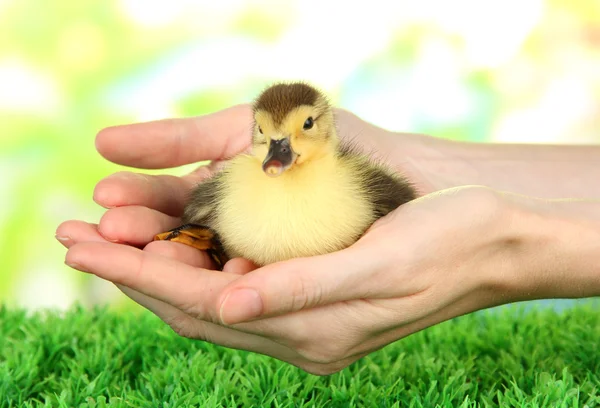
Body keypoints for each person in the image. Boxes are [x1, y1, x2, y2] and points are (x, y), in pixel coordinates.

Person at [56, 104, 600, 375]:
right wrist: (445, 173)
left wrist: (515, 240)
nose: (279, 153)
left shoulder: (353, 187)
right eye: (269, 138)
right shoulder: (237, 189)